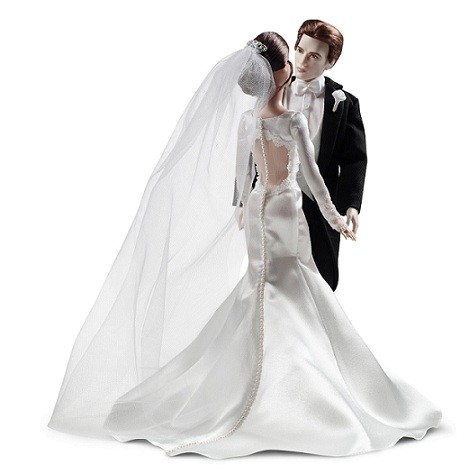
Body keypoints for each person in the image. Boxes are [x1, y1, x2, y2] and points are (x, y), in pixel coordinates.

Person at [48, 32, 441, 459]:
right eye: (292, 58)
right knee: (290, 284)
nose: (298, 63)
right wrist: (335, 218)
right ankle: (294, 377)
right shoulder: (292, 121)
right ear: (280, 74)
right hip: (285, 207)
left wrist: (242, 207)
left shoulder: (247, 121)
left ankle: (260, 370)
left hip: (258, 207)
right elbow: (313, 180)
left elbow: (243, 175)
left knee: (262, 284)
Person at [233, 20, 367, 291]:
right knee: (271, 275)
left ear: (330, 62)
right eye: (300, 51)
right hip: (273, 201)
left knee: (322, 276)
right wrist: (241, 201)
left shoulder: (344, 103)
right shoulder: (272, 86)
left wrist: (351, 204)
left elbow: (354, 158)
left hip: (321, 200)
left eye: (314, 56)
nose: (303, 61)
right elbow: (248, 152)